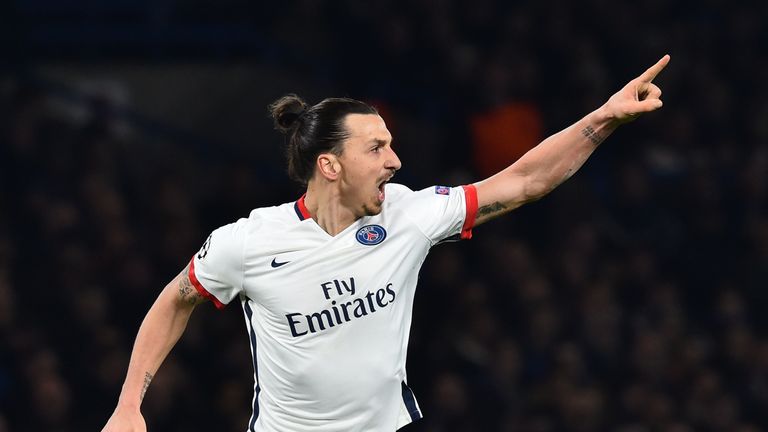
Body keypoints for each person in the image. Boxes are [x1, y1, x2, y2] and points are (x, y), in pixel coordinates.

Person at [102, 55, 670, 432]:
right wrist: (130, 402)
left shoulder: (408, 215)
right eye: (375, 149)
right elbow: (177, 298)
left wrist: (603, 120)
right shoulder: (248, 243)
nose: (395, 161)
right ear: (329, 164)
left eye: (390, 145)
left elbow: (523, 181)